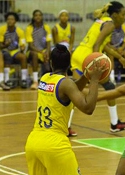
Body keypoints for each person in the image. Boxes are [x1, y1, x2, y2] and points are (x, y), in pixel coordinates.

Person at [3, 44, 105, 175]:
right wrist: (95, 80)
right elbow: (87, 107)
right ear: (69, 64)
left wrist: (86, 76)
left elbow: (69, 87)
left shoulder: (46, 78)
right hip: (54, 143)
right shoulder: (66, 84)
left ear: (50, 63)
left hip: (34, 141)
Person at [70, 1, 125, 133]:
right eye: (123, 14)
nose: (124, 17)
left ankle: (66, 126)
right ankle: (114, 124)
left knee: (76, 91)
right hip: (87, 57)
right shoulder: (110, 24)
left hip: (78, 55)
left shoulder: (102, 20)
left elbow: (105, 46)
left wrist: (119, 57)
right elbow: (96, 46)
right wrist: (97, 63)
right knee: (109, 87)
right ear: (115, 15)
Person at [52, 9, 77, 137]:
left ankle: (66, 126)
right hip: (59, 50)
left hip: (67, 51)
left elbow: (72, 42)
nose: (64, 17)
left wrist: (70, 50)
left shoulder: (72, 28)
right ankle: (64, 126)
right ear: (59, 17)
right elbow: (56, 43)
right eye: (62, 15)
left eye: (66, 15)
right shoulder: (55, 28)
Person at [0, 12, 29, 89]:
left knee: (23, 57)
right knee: (6, 55)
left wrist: (22, 48)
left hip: (15, 51)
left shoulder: (20, 31)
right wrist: (6, 45)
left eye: (12, 19)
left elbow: (22, 43)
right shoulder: (1, 30)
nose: (10, 21)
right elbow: (0, 46)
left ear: (15, 21)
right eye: (8, 19)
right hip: (5, 50)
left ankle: (24, 79)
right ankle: (7, 80)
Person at [26, 9, 52, 90]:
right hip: (32, 52)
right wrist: (41, 52)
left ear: (42, 17)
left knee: (51, 55)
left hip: (43, 51)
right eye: (36, 15)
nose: (38, 17)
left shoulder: (46, 27)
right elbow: (30, 45)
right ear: (33, 17)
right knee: (34, 55)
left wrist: (47, 52)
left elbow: (48, 43)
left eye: (40, 15)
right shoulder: (29, 28)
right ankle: (35, 81)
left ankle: (48, 81)